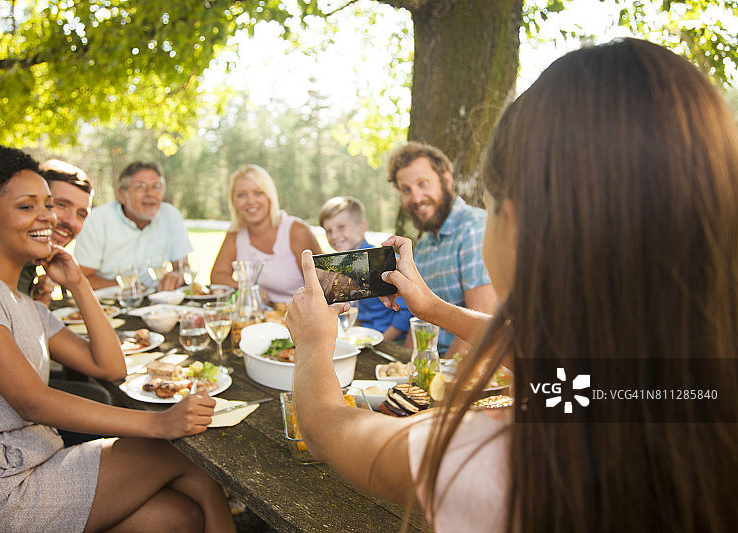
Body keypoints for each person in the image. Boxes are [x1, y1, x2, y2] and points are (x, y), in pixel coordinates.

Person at [286, 38, 738, 533]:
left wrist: (313, 343)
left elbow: (326, 427)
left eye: (492, 204)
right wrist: (433, 308)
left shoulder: (503, 457)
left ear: (517, 225)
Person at [0, 144, 235, 532]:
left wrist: (78, 283)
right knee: (187, 457)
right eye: (27, 206)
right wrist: (158, 425)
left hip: (35, 462)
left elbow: (110, 366)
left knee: (179, 517)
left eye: (48, 205)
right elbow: (32, 400)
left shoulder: (28, 305)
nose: (48, 216)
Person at [387, 141, 496, 356]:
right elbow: (419, 320)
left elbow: (480, 326)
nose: (416, 198)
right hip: (433, 362)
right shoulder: (423, 246)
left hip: (467, 363)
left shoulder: (474, 228)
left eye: (423, 183)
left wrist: (442, 372)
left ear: (446, 180)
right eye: (406, 190)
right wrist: (405, 366)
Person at [0, 157, 94, 305]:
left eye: (81, 214)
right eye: (59, 204)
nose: (71, 221)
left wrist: (39, 301)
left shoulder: (26, 266)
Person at [210, 164, 322, 303]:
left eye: (258, 193)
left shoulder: (296, 231)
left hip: (298, 313)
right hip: (256, 314)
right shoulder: (235, 234)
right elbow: (218, 276)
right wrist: (249, 289)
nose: (250, 201)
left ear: (269, 195)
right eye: (241, 195)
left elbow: (323, 284)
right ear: (233, 200)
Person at [73, 161, 192, 291]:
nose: (150, 193)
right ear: (122, 195)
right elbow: (82, 278)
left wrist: (177, 275)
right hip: (108, 300)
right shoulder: (96, 219)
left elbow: (182, 266)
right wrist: (133, 290)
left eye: (156, 187)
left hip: (156, 299)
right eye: (140, 187)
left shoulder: (171, 215)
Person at [318, 195, 412, 341]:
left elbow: (405, 314)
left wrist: (380, 342)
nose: (334, 236)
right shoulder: (340, 266)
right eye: (328, 230)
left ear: (362, 227)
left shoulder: (382, 261)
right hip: (361, 337)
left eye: (341, 227)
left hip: (389, 341)